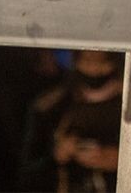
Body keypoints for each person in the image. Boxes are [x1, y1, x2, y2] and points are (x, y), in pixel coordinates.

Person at [19, 50, 123, 192]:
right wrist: (57, 154)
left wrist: (121, 159)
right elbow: (27, 168)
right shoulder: (51, 107)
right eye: (87, 62)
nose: (94, 69)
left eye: (102, 63)